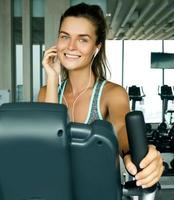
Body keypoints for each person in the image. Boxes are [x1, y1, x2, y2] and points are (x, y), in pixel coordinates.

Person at [38, 2, 163, 188]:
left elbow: (122, 130)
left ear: (96, 47)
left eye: (83, 39)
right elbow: (48, 147)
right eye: (65, 37)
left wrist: (138, 154)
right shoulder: (46, 92)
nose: (71, 46)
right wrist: (52, 77)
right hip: (57, 190)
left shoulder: (111, 94)